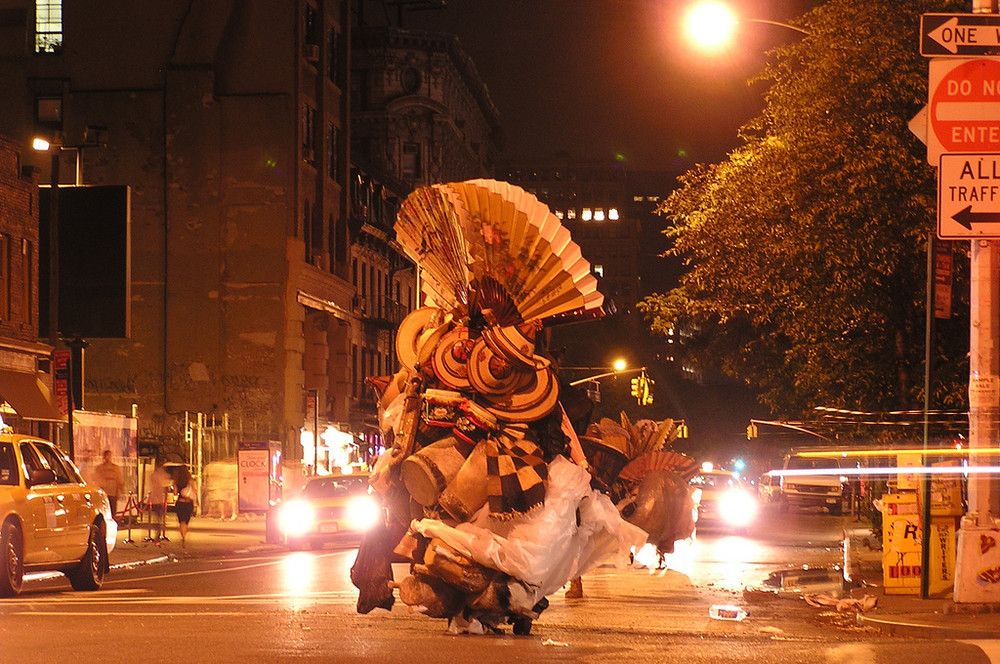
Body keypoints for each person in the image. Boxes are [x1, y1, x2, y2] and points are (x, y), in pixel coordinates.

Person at [174, 465, 199, 548]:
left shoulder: (176, 481)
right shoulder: (190, 480)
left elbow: (175, 493)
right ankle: (184, 535)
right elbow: (194, 491)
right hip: (188, 503)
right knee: (186, 521)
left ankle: (183, 537)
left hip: (180, 503)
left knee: (181, 521)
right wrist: (197, 501)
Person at [95, 449, 125, 518]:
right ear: (104, 457)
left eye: (109, 455)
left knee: (113, 511)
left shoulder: (116, 468)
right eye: (106, 455)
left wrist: (121, 490)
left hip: (113, 493)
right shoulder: (100, 468)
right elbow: (97, 479)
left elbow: (120, 480)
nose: (108, 457)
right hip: (104, 493)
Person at [148, 459, 172, 541]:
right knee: (159, 517)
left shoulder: (154, 474)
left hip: (155, 498)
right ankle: (158, 534)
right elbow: (166, 483)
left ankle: (157, 533)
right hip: (160, 498)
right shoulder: (162, 475)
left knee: (157, 517)